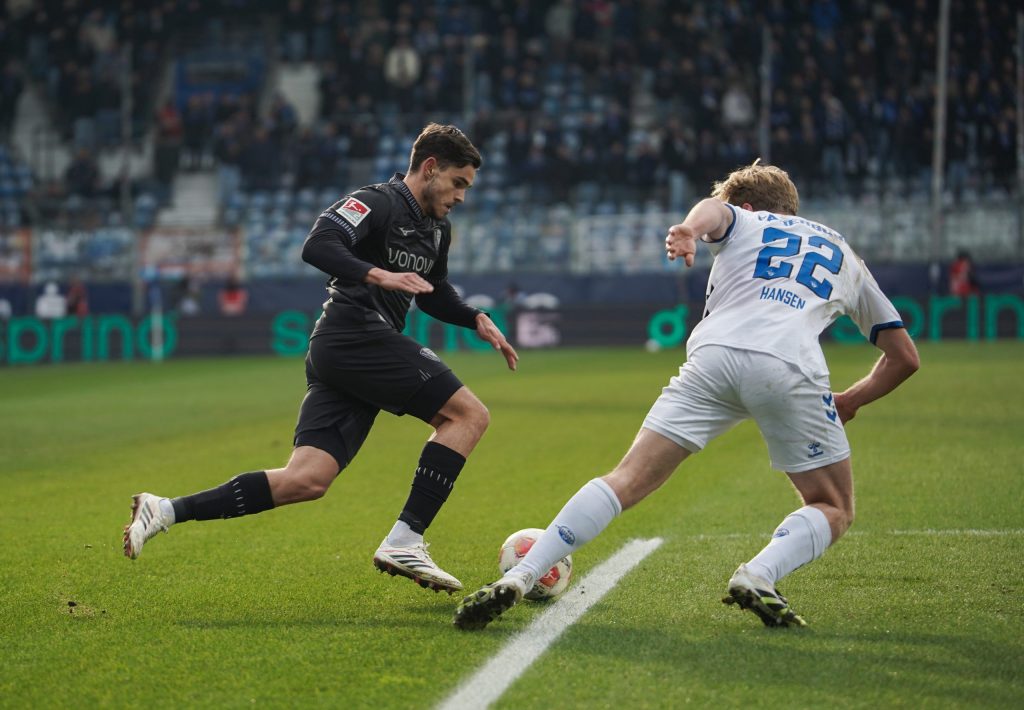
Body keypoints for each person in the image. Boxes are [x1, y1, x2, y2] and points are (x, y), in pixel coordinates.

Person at [454, 161, 919, 630]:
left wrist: (689, 231)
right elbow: (904, 357)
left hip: (713, 357)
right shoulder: (844, 254)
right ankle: (759, 574)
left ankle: (524, 573)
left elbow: (715, 210)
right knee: (833, 505)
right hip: (789, 365)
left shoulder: (747, 219)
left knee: (626, 478)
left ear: (748, 206)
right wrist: (850, 401)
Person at [124, 124, 519, 595]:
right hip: (353, 333)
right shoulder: (377, 201)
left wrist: (474, 317)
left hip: (352, 352)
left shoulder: (437, 229)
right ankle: (406, 538)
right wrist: (377, 274)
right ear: (430, 167)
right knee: (468, 415)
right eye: (458, 183)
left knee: (306, 480)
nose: (461, 197)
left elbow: (432, 291)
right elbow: (318, 245)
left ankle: (165, 510)